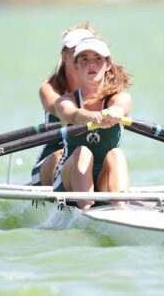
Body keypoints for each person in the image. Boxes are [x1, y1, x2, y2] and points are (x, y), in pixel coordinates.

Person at [53, 37, 132, 209]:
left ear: (108, 64)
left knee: (116, 154)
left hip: (104, 177)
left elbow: (121, 107)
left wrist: (114, 113)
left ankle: (121, 208)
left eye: (98, 58)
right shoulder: (65, 101)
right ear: (76, 66)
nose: (91, 64)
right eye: (84, 59)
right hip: (70, 182)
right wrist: (93, 117)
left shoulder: (120, 98)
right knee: (82, 152)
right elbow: (73, 114)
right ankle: (85, 210)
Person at [30, 23, 99, 186]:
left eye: (88, 53)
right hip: (53, 161)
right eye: (76, 51)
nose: (82, 56)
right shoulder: (49, 88)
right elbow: (63, 112)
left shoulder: (107, 89)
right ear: (64, 56)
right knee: (61, 155)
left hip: (92, 159)